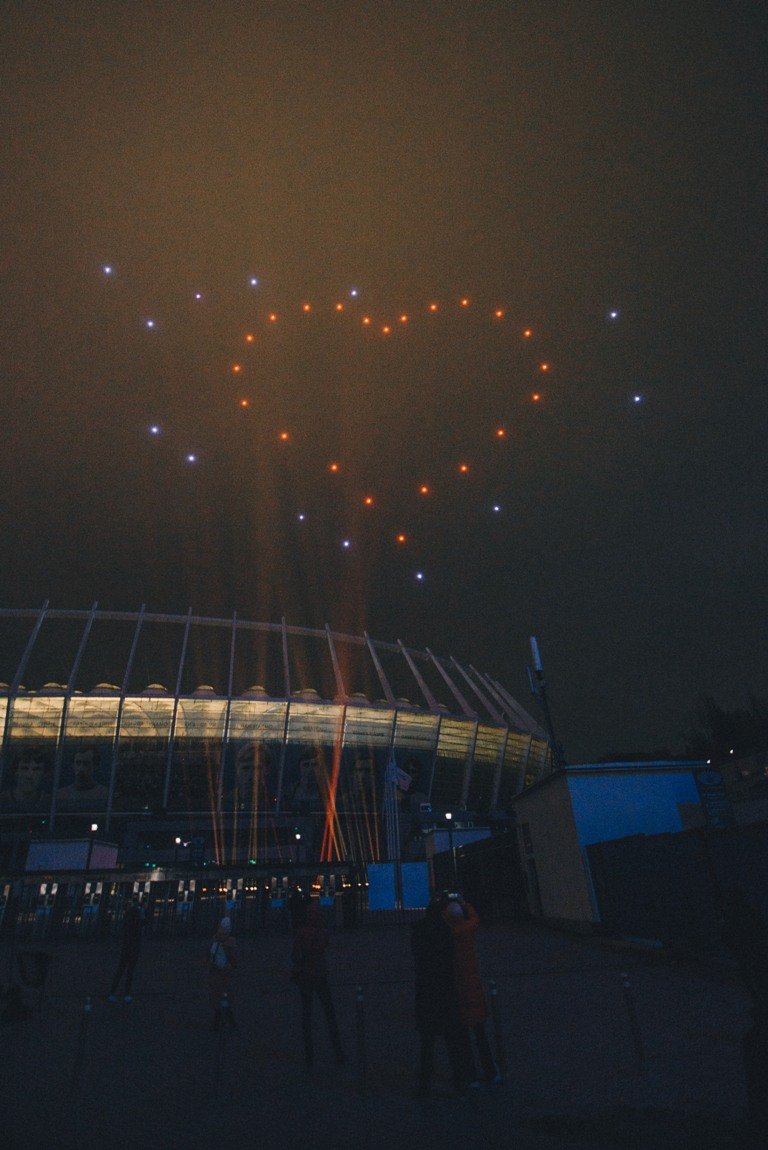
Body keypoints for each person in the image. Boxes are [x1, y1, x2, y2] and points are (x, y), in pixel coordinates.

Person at [411, 899, 473, 1097]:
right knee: (453, 1038)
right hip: (446, 989)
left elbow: (417, 956)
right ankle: (461, 1079)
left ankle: (424, 1083)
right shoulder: (446, 931)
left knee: (427, 1041)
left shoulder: (418, 931)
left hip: (426, 990)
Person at [442, 894, 501, 1085]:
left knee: (463, 1039)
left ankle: (471, 1076)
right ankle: (491, 1072)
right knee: (481, 1037)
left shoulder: (448, 933)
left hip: (457, 993)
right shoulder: (467, 930)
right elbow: (475, 919)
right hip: (473, 991)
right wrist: (465, 904)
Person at [291, 898, 345, 1067]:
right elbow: (325, 945)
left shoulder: (301, 933)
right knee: (330, 1014)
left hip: (305, 976)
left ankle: (309, 1056)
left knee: (306, 1016)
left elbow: (295, 956)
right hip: (320, 975)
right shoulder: (322, 932)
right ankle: (338, 1051)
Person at [55, 745, 109, 811]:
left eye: (86, 763)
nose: (81, 768)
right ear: (73, 765)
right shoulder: (61, 795)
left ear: (95, 766)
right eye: (78, 763)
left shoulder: (105, 795)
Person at [108, 902, 143, 1003]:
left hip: (125, 950)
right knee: (130, 972)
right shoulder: (138, 924)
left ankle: (112, 993)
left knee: (120, 971)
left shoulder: (126, 924)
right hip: (134, 950)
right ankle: (127, 994)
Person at [208, 916, 238, 1029]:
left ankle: (218, 1019)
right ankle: (229, 1019)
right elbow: (233, 959)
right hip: (225, 972)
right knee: (226, 995)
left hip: (215, 972)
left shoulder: (215, 939)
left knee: (217, 995)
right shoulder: (230, 942)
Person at [0, 748, 51, 812]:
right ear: (16, 771)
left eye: (36, 769)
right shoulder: (2, 800)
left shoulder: (51, 803)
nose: (29, 775)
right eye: (24, 768)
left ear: (45, 773)